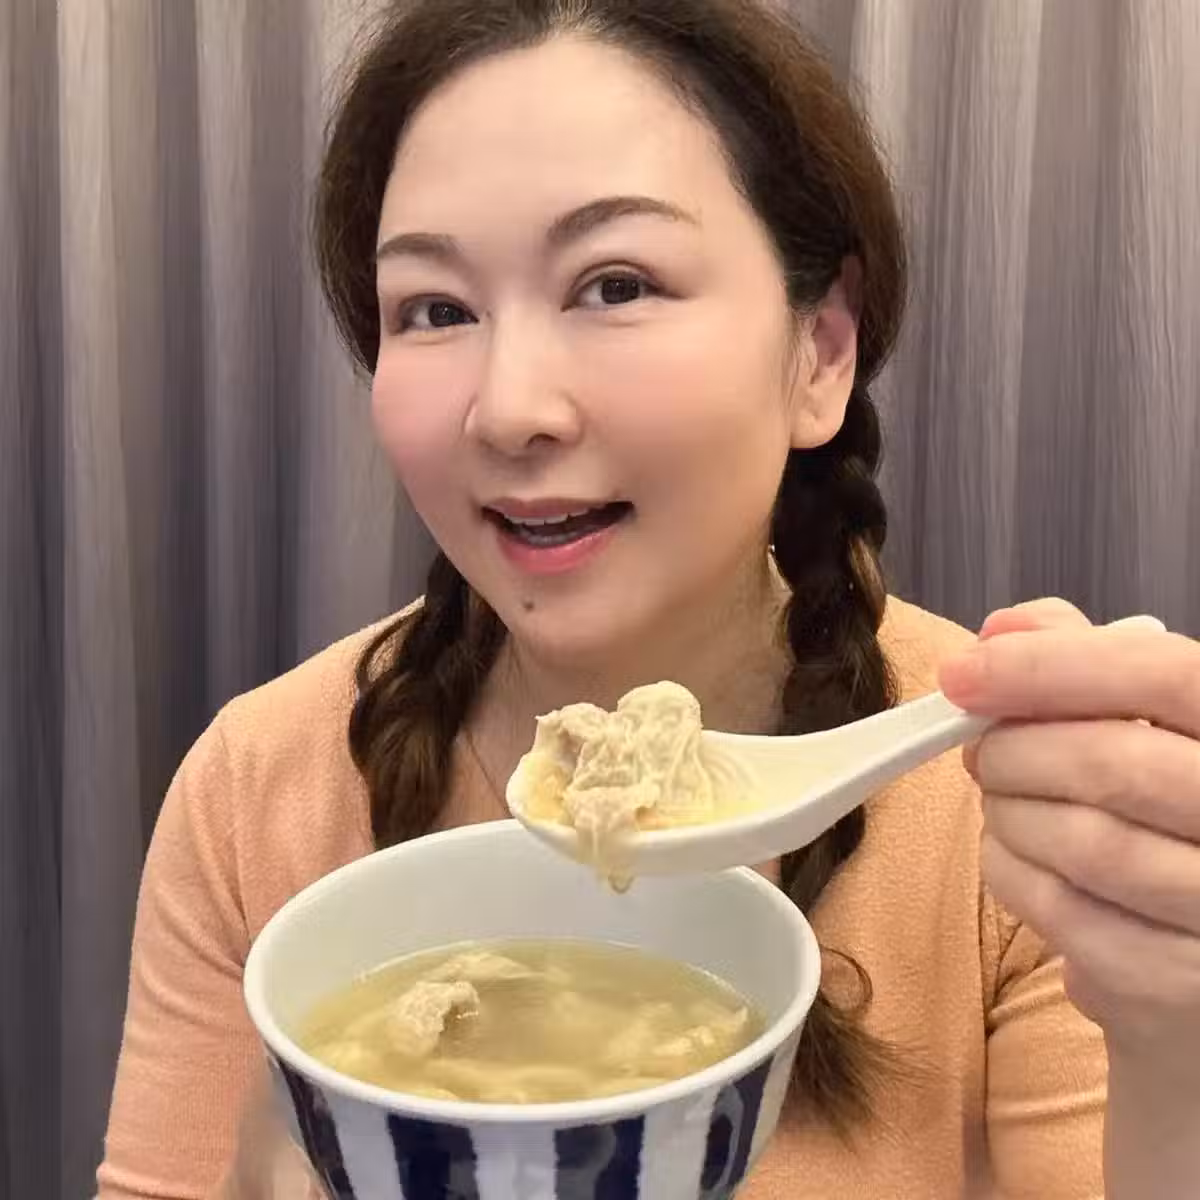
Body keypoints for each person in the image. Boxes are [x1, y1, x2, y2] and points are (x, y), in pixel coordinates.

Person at [97, 1, 1200, 1196]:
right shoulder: (255, 787)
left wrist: (1175, 1041)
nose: (510, 409)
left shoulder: (1018, 823)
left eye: (615, 284)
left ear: (821, 352)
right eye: (435, 309)